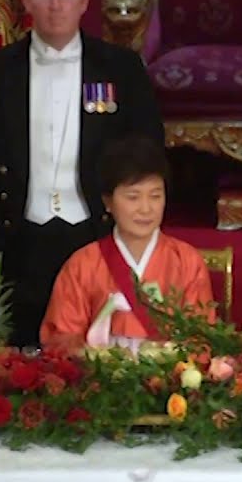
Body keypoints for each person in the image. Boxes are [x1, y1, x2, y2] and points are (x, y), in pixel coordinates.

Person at [0, 0, 166, 347]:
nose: (55, 6)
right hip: (16, 240)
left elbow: (147, 153)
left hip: (96, 233)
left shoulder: (121, 69)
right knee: (22, 370)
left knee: (100, 357)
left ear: (84, 1)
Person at [40, 136, 215, 352]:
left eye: (155, 196)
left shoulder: (187, 260)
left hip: (170, 381)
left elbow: (201, 337)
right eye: (133, 197)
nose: (146, 208)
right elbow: (60, 339)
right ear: (108, 202)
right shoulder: (82, 264)